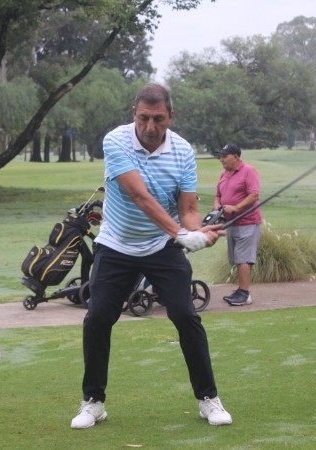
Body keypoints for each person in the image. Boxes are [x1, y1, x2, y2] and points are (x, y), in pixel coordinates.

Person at [70, 83, 232, 429]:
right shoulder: (115, 141)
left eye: (158, 119)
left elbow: (188, 209)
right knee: (97, 318)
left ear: (171, 116)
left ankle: (208, 399)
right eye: (143, 117)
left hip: (161, 246)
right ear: (134, 114)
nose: (150, 126)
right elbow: (139, 196)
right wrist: (183, 234)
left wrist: (198, 233)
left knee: (186, 315)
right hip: (116, 244)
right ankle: (93, 403)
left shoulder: (183, 151)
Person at [213, 144, 262, 306]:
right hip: (231, 223)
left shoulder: (248, 171)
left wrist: (236, 208)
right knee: (237, 258)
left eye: (225, 156)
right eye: (220, 156)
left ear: (236, 157)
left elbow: (253, 195)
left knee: (243, 258)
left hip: (247, 221)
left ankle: (245, 294)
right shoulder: (224, 174)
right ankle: (240, 290)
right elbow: (218, 195)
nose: (221, 160)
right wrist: (217, 206)